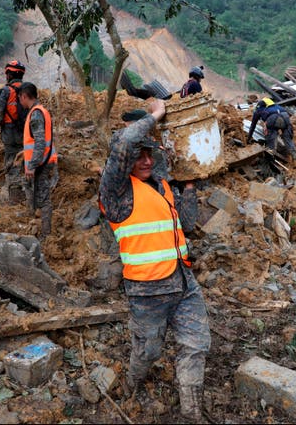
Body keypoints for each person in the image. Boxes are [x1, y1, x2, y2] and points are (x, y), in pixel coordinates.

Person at [99, 99, 210, 421]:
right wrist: (155, 115)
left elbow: (188, 224)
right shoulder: (116, 190)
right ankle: (132, 383)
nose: (146, 160)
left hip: (183, 282)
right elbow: (124, 143)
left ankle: (191, 412)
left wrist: (189, 186)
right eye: (139, 155)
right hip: (147, 291)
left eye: (151, 154)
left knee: (197, 344)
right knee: (148, 350)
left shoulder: (160, 185)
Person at [18, 82, 58, 239]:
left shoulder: (35, 114)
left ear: (24, 96)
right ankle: (38, 225)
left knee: (44, 198)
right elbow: (36, 141)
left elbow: (40, 143)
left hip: (42, 163)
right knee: (38, 194)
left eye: (20, 98)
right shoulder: (40, 111)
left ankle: (46, 235)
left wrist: (32, 165)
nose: (19, 102)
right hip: (44, 161)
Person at [0, 60, 27, 204]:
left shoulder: (5, 91)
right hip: (26, 134)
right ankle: (27, 195)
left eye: (7, 74)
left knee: (12, 164)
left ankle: (16, 199)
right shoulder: (28, 89)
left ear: (10, 75)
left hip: (10, 134)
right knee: (26, 162)